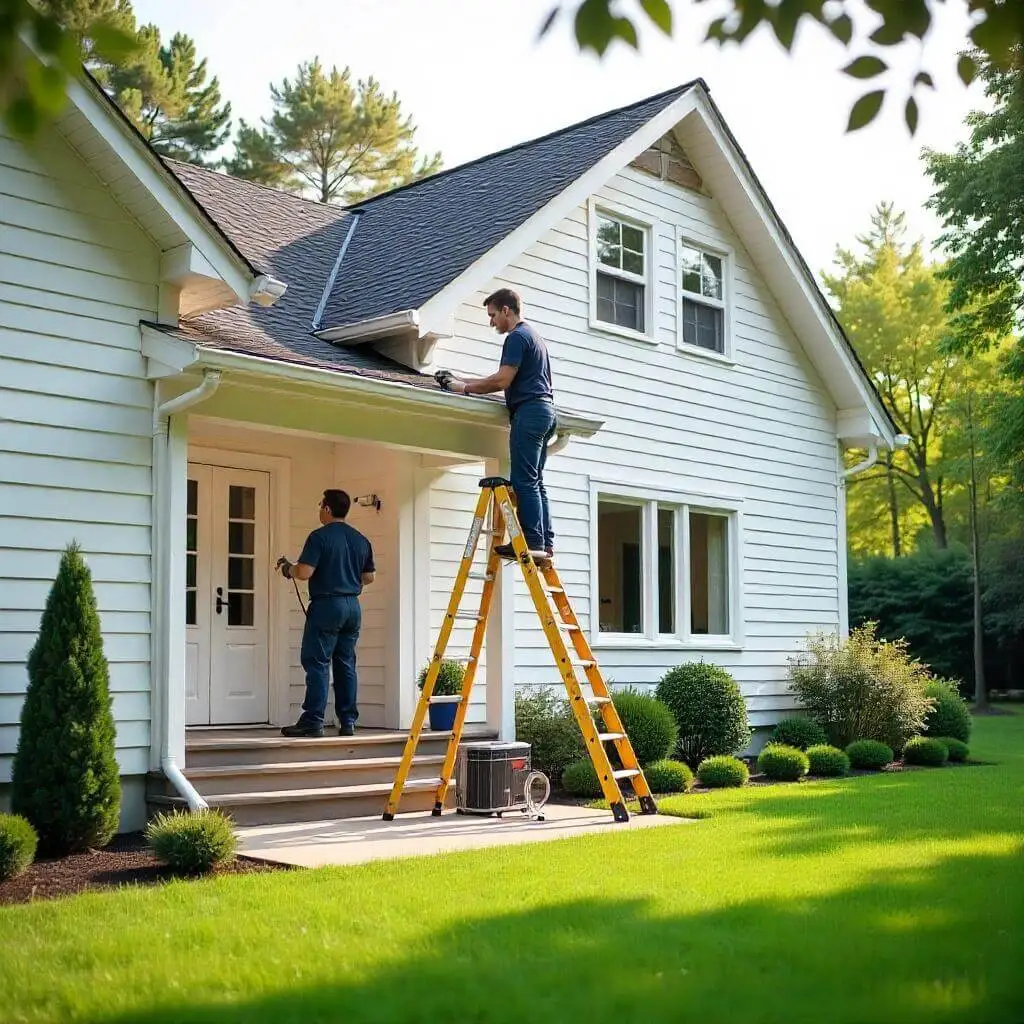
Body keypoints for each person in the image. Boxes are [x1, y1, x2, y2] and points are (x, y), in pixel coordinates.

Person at [434, 288, 556, 562]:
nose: (491, 323)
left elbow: (501, 381)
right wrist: (458, 380)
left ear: (506, 310)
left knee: (523, 480)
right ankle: (545, 543)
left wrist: (463, 388)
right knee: (535, 481)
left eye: (492, 316)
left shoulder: (516, 338)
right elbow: (498, 379)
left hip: (529, 413)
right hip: (546, 412)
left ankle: (533, 543)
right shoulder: (534, 337)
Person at [276, 489, 375, 737]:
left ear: (328, 509)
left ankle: (313, 720)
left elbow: (304, 572)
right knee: (345, 663)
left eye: (321, 504)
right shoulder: (361, 539)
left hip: (327, 606)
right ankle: (348, 721)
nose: (320, 508)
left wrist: (288, 568)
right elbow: (368, 577)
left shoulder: (319, 538)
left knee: (317, 662)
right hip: (353, 606)